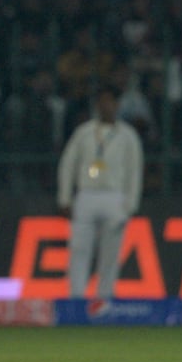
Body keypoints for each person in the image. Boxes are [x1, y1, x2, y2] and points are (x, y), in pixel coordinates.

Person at [56, 84, 144, 299]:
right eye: (102, 101)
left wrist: (130, 205)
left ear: (117, 105)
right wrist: (65, 198)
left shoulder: (128, 136)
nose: (106, 106)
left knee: (111, 254)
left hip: (114, 197)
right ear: (97, 105)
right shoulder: (84, 132)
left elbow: (135, 171)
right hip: (86, 194)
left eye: (110, 101)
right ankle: (76, 298)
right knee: (79, 249)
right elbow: (68, 164)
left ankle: (105, 298)